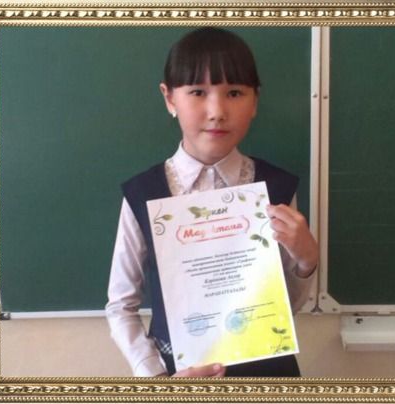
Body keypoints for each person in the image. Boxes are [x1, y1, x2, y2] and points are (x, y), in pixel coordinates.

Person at [105, 27, 319, 378]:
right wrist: (155, 378)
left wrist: (307, 262)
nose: (217, 111)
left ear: (255, 101)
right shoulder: (143, 193)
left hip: (268, 374)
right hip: (179, 375)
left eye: (234, 93)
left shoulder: (275, 187)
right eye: (198, 92)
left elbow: (284, 307)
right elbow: (120, 306)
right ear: (170, 98)